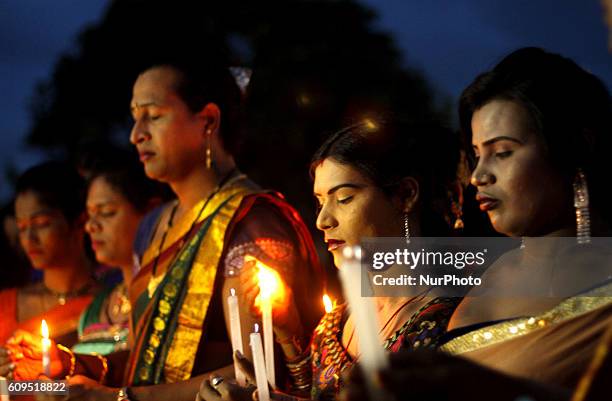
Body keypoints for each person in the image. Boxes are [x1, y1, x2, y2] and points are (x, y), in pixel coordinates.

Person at [0, 59, 323, 401]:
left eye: (153, 116)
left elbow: (259, 373)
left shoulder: (249, 223)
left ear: (208, 121)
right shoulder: (155, 225)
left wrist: (118, 398)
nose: (135, 134)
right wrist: (74, 364)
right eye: (134, 117)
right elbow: (150, 360)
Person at [341, 47, 612, 400]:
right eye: (476, 154)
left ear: (574, 147)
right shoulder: (487, 268)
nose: (479, 176)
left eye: (502, 152)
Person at [197, 118, 465, 401]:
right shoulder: (334, 323)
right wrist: (287, 336)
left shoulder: (453, 319)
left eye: (344, 198)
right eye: (320, 201)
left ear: (405, 195)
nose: (323, 220)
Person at [74, 154, 167, 355]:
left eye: (106, 212)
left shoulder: (169, 298)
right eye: (90, 215)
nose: (91, 226)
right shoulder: (95, 310)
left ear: (152, 211)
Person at [0, 162, 97, 348]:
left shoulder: (107, 305)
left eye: (41, 223)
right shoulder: (4, 306)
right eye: (21, 227)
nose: (29, 238)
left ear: (79, 221)